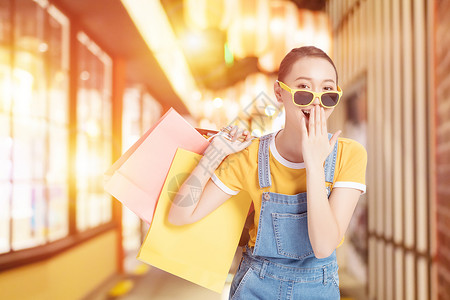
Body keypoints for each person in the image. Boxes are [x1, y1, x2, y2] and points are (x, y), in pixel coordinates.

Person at [168, 46, 367, 300]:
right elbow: (179, 215)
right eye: (304, 89)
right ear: (279, 93)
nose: (316, 101)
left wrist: (315, 164)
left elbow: (323, 246)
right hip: (255, 288)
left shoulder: (349, 154)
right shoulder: (250, 154)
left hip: (318, 290)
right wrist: (214, 154)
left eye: (328, 91)